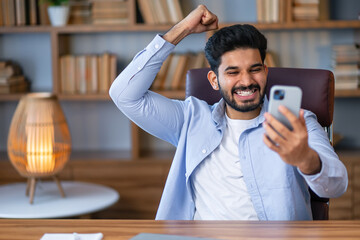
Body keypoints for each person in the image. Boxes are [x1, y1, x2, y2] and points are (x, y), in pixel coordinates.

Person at [109, 5, 348, 220]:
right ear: (214, 79)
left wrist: (305, 159)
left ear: (265, 71)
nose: (246, 81)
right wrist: (181, 30)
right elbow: (124, 94)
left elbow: (336, 186)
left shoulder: (298, 122)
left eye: (254, 70)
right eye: (233, 72)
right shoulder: (189, 119)